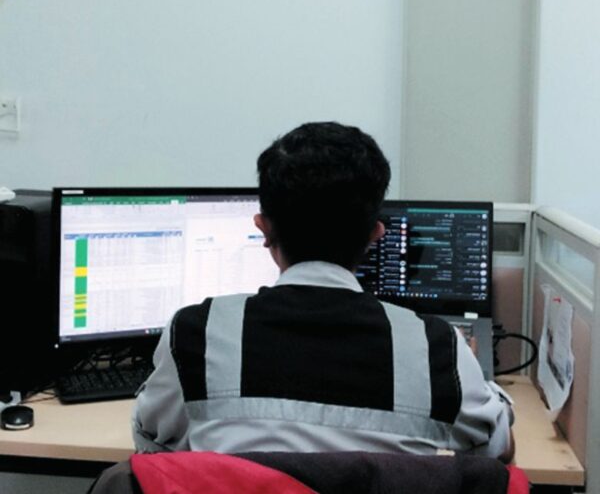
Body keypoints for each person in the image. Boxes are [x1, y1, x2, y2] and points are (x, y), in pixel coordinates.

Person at [132, 122, 514, 460]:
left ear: (264, 229)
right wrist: (470, 374)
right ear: (374, 236)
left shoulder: (195, 334)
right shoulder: (438, 349)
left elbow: (150, 442)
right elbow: (496, 448)